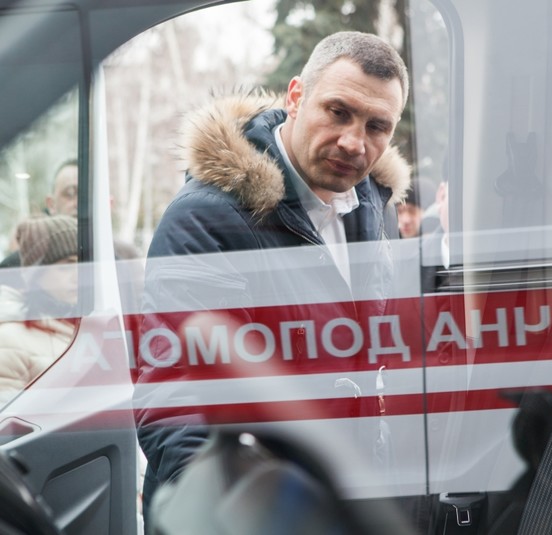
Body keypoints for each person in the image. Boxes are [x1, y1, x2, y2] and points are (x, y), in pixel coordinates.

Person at [134, 30, 411, 528]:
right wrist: (240, 513)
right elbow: (176, 397)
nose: (354, 142)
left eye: (377, 126)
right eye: (338, 112)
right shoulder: (208, 216)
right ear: (296, 97)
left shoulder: (374, 204)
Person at [0, 215, 79, 404]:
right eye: (66, 267)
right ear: (36, 274)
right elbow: (8, 418)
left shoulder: (94, 323)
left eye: (83, 263)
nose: (78, 274)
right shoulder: (9, 339)